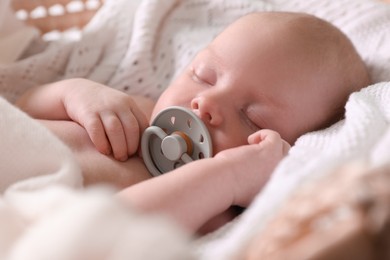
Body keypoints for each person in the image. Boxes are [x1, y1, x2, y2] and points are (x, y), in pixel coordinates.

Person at [16, 11, 371, 234]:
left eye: (250, 117)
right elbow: (23, 107)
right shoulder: (138, 109)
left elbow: (107, 231)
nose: (207, 103)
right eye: (204, 76)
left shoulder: (215, 209)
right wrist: (74, 94)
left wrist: (228, 177)